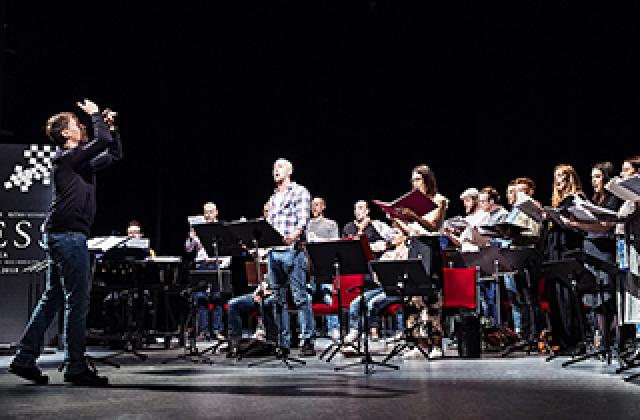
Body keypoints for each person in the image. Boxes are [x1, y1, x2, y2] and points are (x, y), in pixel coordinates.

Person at [10, 99, 122, 386]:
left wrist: (111, 128)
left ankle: (24, 358)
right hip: (68, 236)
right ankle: (75, 365)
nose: (83, 127)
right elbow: (101, 141)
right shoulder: (66, 158)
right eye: (77, 125)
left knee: (53, 298)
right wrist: (96, 116)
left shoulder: (81, 163)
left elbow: (112, 152)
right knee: (77, 301)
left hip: (65, 236)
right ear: (65, 134)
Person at [265, 158, 315, 356]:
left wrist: (294, 235)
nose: (275, 170)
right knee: (278, 300)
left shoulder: (299, 191)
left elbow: (303, 219)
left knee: (300, 297)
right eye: (274, 167)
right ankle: (283, 342)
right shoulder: (273, 197)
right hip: (274, 252)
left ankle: (307, 340)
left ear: (290, 171)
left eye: (280, 167)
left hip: (292, 251)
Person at [184, 202, 225, 340]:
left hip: (217, 265)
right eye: (205, 212)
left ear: (216, 212)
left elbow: (228, 249)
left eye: (210, 211)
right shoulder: (198, 229)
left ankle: (217, 330)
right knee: (201, 299)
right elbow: (188, 249)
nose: (208, 215)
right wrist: (191, 237)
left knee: (217, 298)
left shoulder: (221, 228)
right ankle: (203, 331)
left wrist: (223, 264)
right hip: (201, 265)